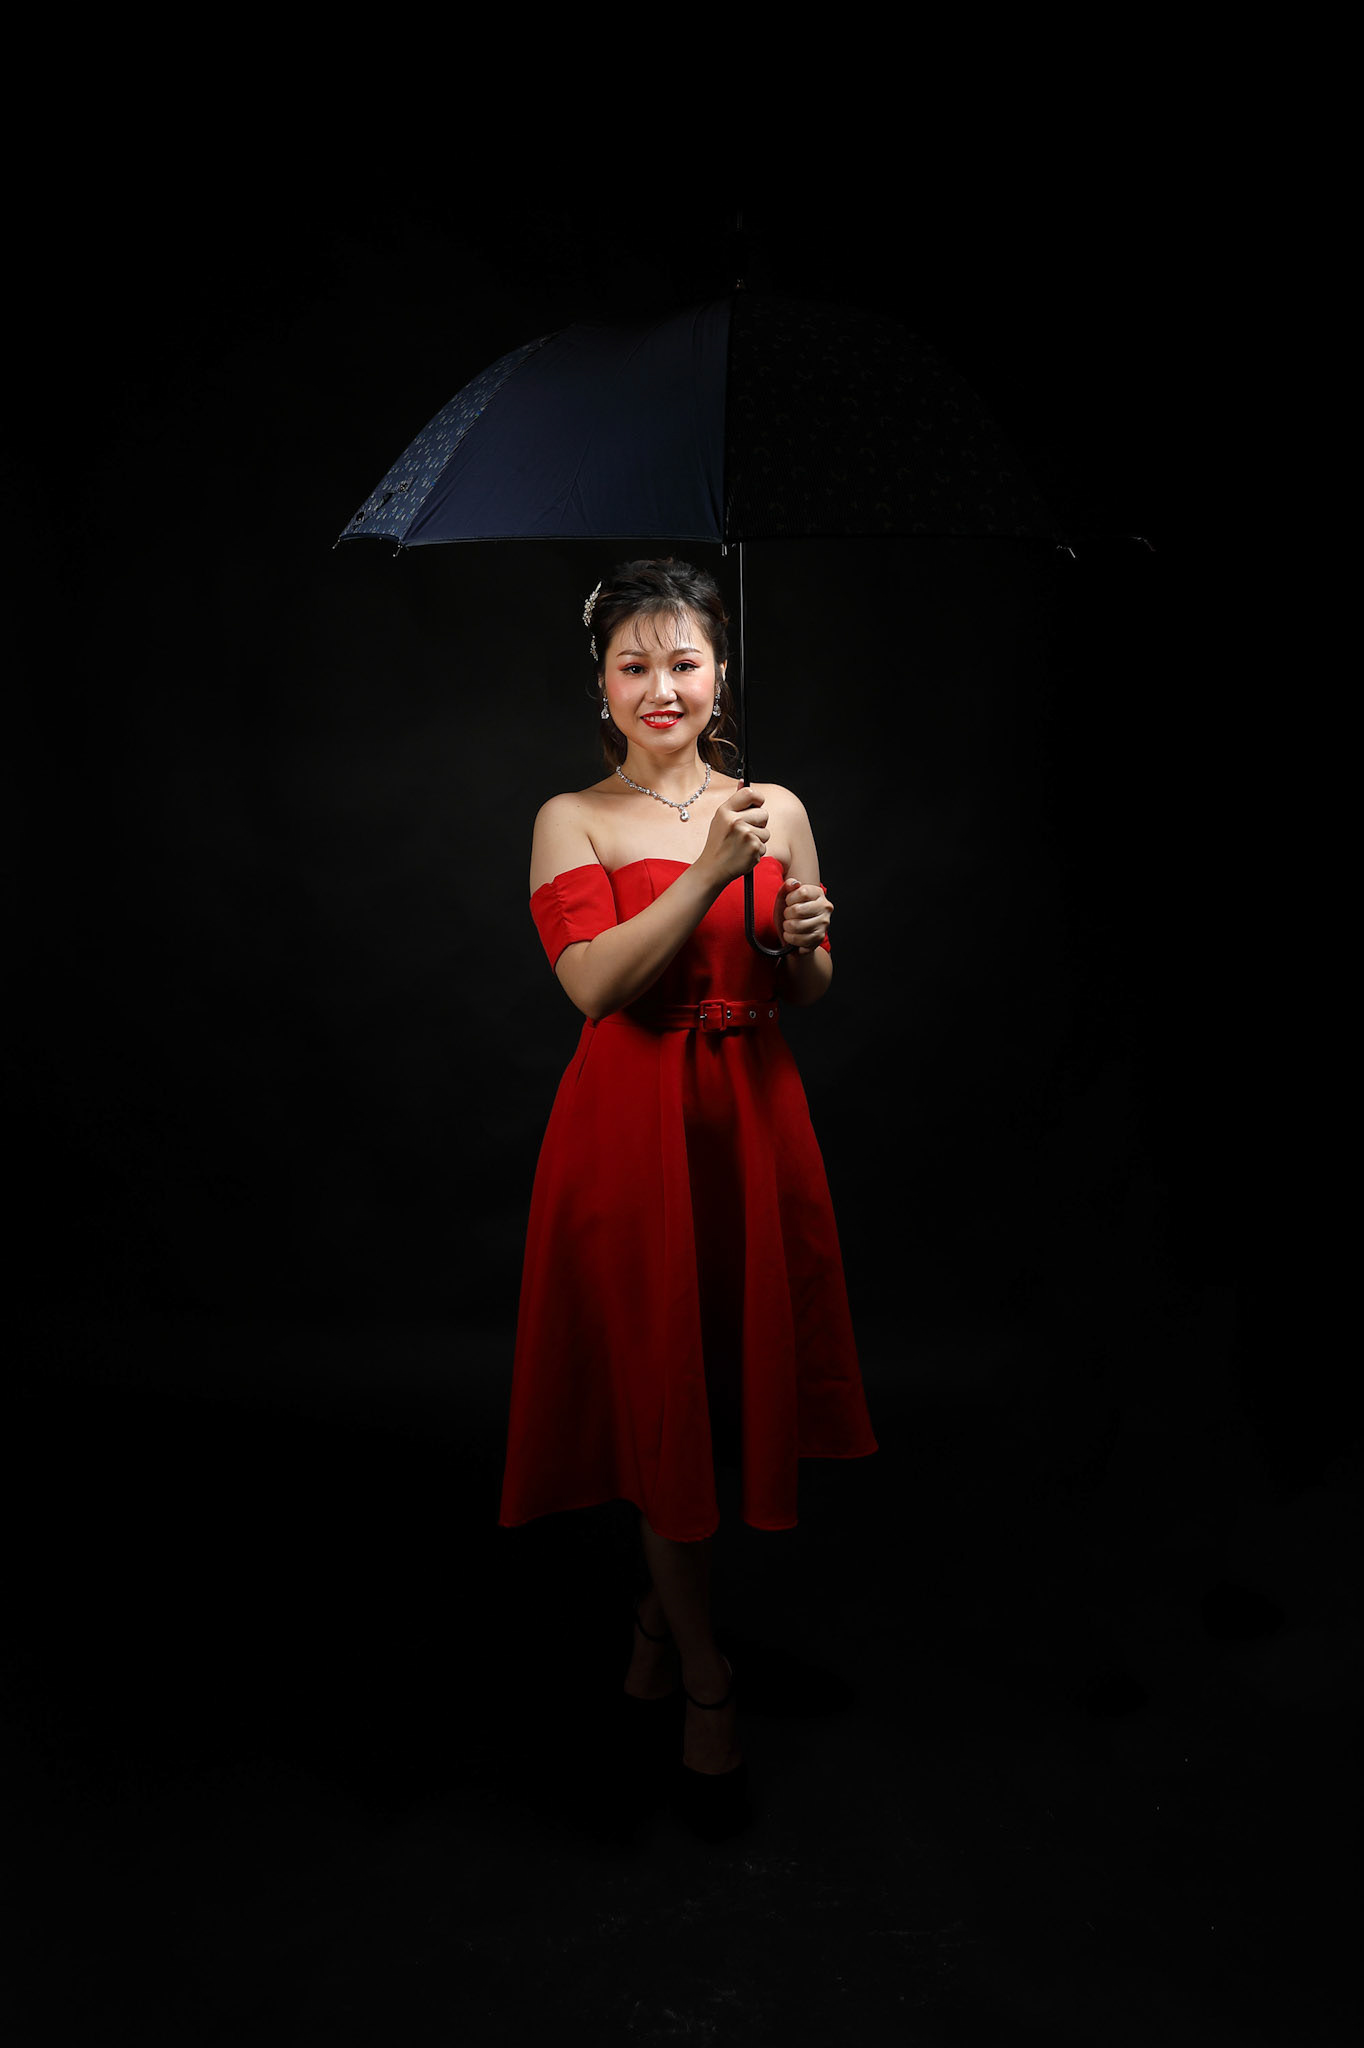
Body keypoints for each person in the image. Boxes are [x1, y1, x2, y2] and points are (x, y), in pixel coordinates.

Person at [497, 558, 878, 1793]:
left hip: (750, 1119)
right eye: (634, 664)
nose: (662, 686)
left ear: (720, 673)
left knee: (721, 1387)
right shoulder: (574, 815)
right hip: (631, 1127)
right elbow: (596, 987)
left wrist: (803, 939)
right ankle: (707, 1673)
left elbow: (799, 986)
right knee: (662, 1397)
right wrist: (712, 873)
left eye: (684, 660)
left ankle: (658, 1624)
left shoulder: (773, 802)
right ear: (601, 684)